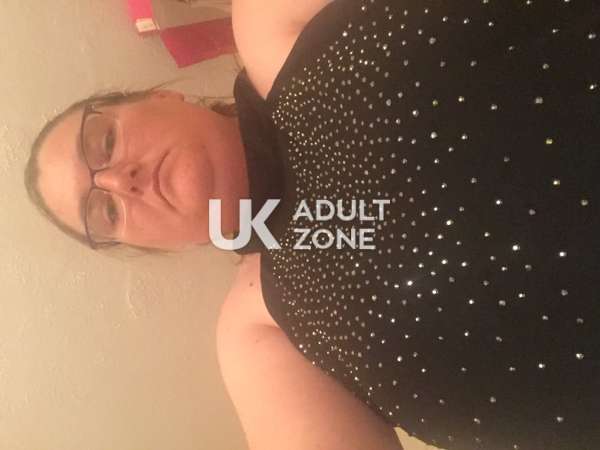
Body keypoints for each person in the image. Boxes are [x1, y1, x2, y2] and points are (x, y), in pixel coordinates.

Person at [24, 0, 600, 449]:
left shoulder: (268, 18)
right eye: (104, 212)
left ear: (163, 97)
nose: (118, 181)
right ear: (155, 247)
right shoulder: (258, 336)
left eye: (103, 142)